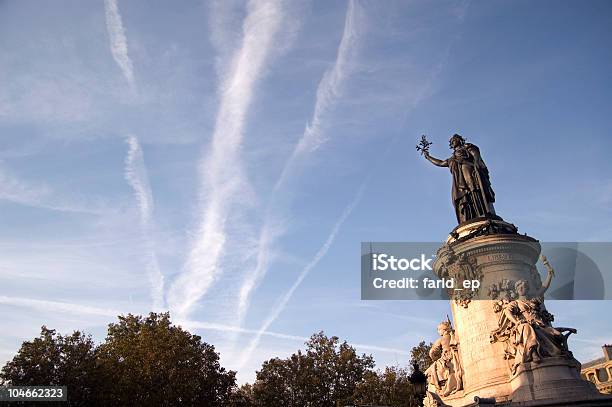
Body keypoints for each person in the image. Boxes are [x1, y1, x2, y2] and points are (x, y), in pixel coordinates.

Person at [423, 134, 496, 224]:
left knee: (474, 189)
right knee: (462, 195)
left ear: (459, 140)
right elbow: (440, 163)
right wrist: (428, 157)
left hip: (469, 170)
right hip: (459, 180)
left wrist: (477, 162)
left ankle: (482, 211)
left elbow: (476, 154)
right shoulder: (452, 158)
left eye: (454, 140)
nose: (452, 142)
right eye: (451, 142)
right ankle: (471, 215)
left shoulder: (467, 147)